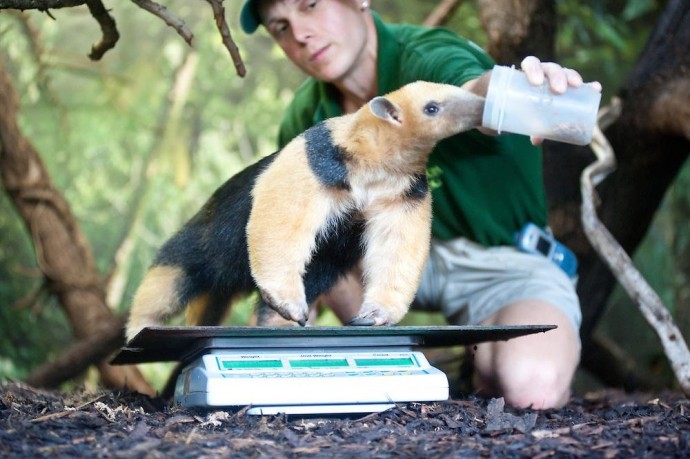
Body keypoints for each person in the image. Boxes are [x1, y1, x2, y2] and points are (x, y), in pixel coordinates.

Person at [239, 0, 601, 409]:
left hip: (501, 264)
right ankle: (379, 360)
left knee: (529, 388)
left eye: (310, 5)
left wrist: (526, 91)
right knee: (308, 231)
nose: (300, 33)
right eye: (280, 26)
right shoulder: (307, 116)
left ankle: (487, 352)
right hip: (382, 260)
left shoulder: (428, 56)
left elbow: (472, 90)